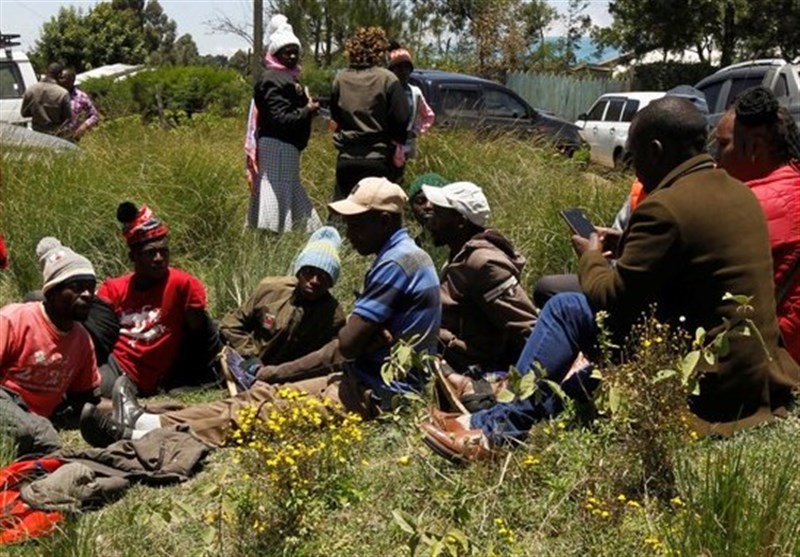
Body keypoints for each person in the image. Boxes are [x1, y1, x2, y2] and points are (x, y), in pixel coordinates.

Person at [421, 97, 800, 461]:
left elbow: (611, 300)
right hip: (753, 375)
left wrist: (590, 256)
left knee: (566, 307)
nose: (635, 169)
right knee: (586, 373)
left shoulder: (665, 207)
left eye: (635, 157)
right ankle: (489, 421)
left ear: (655, 150)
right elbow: (691, 263)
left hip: (708, 384)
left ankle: (497, 429)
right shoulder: (739, 193)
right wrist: (632, 246)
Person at [79, 177, 441, 448]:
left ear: (383, 221)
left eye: (357, 222)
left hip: (378, 391)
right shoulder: (397, 257)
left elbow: (344, 345)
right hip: (359, 376)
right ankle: (145, 417)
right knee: (255, 398)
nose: (349, 232)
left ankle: (141, 430)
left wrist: (276, 372)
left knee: (260, 413)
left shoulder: (398, 262)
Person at [96, 202, 221, 398]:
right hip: (112, 361)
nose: (159, 258)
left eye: (164, 251)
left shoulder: (183, 285)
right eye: (150, 253)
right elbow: (96, 335)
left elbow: (199, 331)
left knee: (96, 388)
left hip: (136, 377)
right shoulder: (113, 288)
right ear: (133, 256)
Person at [714, 87, 800, 363]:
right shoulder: (792, 188)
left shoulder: (751, 206)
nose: (715, 159)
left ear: (754, 147)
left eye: (721, 144)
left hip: (764, 356)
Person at [424, 182, 536, 383]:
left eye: (438, 215)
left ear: (460, 221)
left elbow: (525, 324)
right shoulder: (460, 253)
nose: (430, 222)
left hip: (468, 364)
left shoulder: (483, 264)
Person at [0, 237, 100, 457]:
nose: (87, 294)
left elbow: (86, 400)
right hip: (5, 400)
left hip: (34, 418)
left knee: (48, 444)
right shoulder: (13, 319)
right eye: (76, 288)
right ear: (52, 292)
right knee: (37, 433)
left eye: (91, 288)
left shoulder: (82, 340)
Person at [218, 226, 346, 389]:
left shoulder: (333, 315)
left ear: (330, 283)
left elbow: (333, 357)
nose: (314, 280)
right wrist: (251, 358)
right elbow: (231, 325)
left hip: (294, 380)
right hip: (253, 369)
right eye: (308, 272)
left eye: (323, 276)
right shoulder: (271, 290)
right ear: (298, 272)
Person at [245, 14, 322, 232]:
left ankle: (286, 236)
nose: (292, 55)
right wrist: (307, 110)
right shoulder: (273, 79)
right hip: (278, 146)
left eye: (295, 51)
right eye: (287, 51)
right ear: (276, 53)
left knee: (285, 190)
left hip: (285, 147)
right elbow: (279, 119)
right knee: (277, 193)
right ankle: (275, 237)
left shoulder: (286, 78)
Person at [330, 27, 410, 199]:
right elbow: (401, 118)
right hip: (378, 158)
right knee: (378, 214)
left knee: (343, 213)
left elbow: (335, 116)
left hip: (346, 158)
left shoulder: (340, 79)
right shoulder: (387, 79)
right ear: (380, 51)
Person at [387, 42, 435, 161]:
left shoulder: (415, 92)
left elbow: (429, 116)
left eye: (406, 67)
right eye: (399, 68)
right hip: (388, 146)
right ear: (392, 70)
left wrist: (416, 131)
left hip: (408, 146)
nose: (403, 72)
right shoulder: (385, 91)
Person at [20, 62, 71, 136]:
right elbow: (68, 118)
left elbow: (24, 113)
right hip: (55, 134)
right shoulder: (63, 93)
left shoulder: (31, 90)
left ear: (46, 72)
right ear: (59, 75)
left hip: (36, 133)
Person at [58, 68, 99, 142]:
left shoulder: (80, 96)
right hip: (55, 137)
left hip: (75, 138)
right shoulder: (53, 95)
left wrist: (83, 127)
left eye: (62, 78)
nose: (59, 80)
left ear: (71, 80)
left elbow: (94, 115)